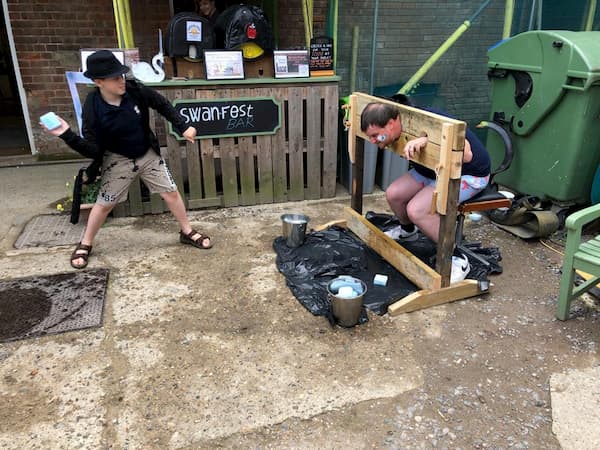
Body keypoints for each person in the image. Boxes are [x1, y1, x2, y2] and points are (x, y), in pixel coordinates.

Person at [42, 50, 212, 269]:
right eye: (115, 78)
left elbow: (161, 104)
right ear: (98, 82)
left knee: (170, 192)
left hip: (147, 154)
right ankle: (85, 243)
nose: (121, 80)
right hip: (118, 159)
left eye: (121, 75)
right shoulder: (93, 107)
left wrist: (183, 126)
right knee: (104, 204)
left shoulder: (135, 90)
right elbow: (93, 150)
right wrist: (66, 134)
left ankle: (187, 231)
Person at [360, 101, 491, 283]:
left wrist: (427, 141)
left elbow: (467, 155)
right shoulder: (400, 118)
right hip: (432, 171)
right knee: (393, 194)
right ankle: (408, 231)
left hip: (467, 174)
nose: (372, 141)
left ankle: (457, 257)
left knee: (417, 210)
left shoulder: (432, 119)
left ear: (391, 124)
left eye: (375, 136)